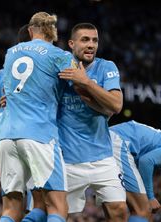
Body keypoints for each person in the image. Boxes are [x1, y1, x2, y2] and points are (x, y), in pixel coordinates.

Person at [0, 12, 75, 222]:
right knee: (58, 206)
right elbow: (80, 83)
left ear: (31, 30)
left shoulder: (10, 52)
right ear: (53, 32)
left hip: (7, 136)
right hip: (40, 135)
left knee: (11, 209)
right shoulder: (59, 55)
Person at [58, 23, 127, 221]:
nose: (91, 45)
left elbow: (116, 105)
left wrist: (86, 81)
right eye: (85, 39)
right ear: (71, 43)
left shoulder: (107, 67)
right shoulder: (60, 69)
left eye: (95, 40)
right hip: (67, 159)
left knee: (119, 211)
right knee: (57, 214)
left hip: (103, 158)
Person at [110, 120, 161, 221]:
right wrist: (150, 197)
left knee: (118, 211)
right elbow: (145, 162)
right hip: (118, 142)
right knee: (143, 210)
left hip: (108, 139)